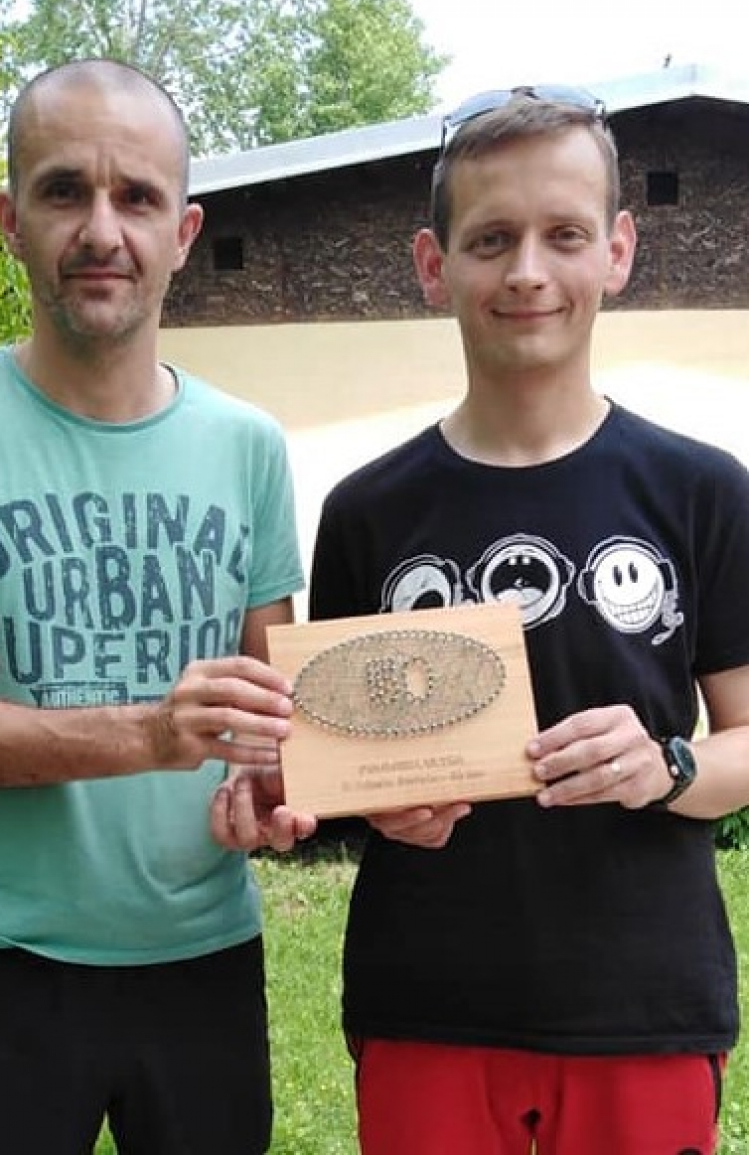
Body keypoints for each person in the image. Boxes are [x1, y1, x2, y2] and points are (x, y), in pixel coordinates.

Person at [216, 85, 749, 1154]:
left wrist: (668, 766)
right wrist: (369, 808)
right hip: (428, 1002)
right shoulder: (369, 510)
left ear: (619, 250)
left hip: (643, 999)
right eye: (492, 239)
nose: (527, 272)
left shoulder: (701, 490)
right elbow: (339, 770)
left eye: (564, 235)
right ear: (434, 264)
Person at [0, 57, 314, 1155]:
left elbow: (279, 723)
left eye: (137, 196)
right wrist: (151, 735)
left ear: (184, 233)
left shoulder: (248, 445)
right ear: (11, 221)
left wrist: (278, 790)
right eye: (65, 191)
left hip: (204, 960)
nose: (103, 230)